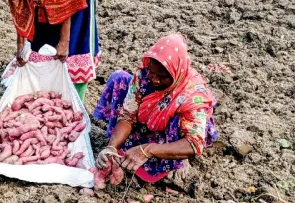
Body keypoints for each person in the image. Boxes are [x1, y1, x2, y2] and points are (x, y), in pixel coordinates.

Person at [93, 34, 218, 183]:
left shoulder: (192, 95)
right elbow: (128, 116)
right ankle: (128, 144)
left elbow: (193, 143)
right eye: (152, 72)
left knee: (177, 119)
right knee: (120, 79)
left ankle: (177, 159)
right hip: (149, 121)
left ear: (176, 72)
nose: (155, 79)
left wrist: (147, 150)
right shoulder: (143, 75)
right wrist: (111, 147)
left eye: (163, 76)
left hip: (179, 131)